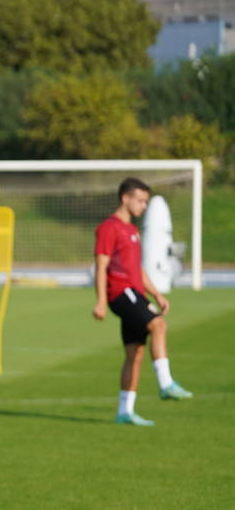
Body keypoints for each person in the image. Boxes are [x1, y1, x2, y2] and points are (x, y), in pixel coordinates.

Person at [93, 177, 193, 426]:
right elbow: (101, 265)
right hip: (121, 292)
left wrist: (157, 294)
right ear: (125, 198)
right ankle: (166, 383)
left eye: (146, 201)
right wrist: (101, 301)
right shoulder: (109, 227)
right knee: (158, 325)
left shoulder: (132, 230)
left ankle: (125, 411)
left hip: (136, 293)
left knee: (135, 353)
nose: (144, 206)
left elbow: (137, 269)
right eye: (140, 200)